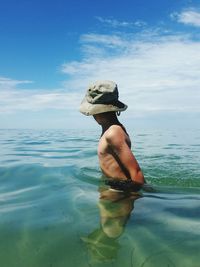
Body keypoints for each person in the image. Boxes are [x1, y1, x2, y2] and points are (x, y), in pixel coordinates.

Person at [80, 80, 145, 192]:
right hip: (113, 187)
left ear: (97, 111)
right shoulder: (112, 129)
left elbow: (137, 173)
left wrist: (135, 197)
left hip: (119, 193)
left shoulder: (113, 132)